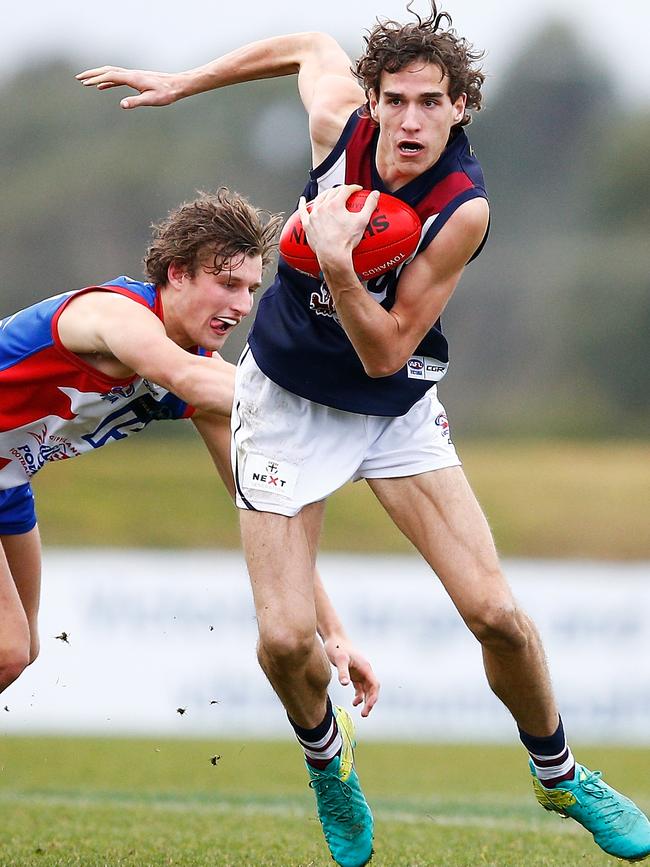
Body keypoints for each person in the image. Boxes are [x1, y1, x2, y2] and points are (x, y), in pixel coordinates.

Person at [77, 4, 650, 866]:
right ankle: (329, 762)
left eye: (431, 102)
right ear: (372, 101)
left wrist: (339, 262)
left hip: (392, 404)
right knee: (282, 638)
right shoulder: (336, 128)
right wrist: (187, 82)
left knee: (496, 613)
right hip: (282, 399)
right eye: (395, 100)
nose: (410, 119)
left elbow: (385, 355)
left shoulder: (462, 210)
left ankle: (560, 773)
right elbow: (307, 44)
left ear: (461, 107)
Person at [0, 188, 379, 724]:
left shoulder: (199, 378)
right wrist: (336, 412)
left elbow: (265, 503)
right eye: (227, 284)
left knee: (21, 653)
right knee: (7, 649)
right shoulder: (116, 316)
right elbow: (183, 375)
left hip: (9, 485)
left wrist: (333, 632)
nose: (243, 305)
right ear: (177, 273)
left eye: (250, 288)